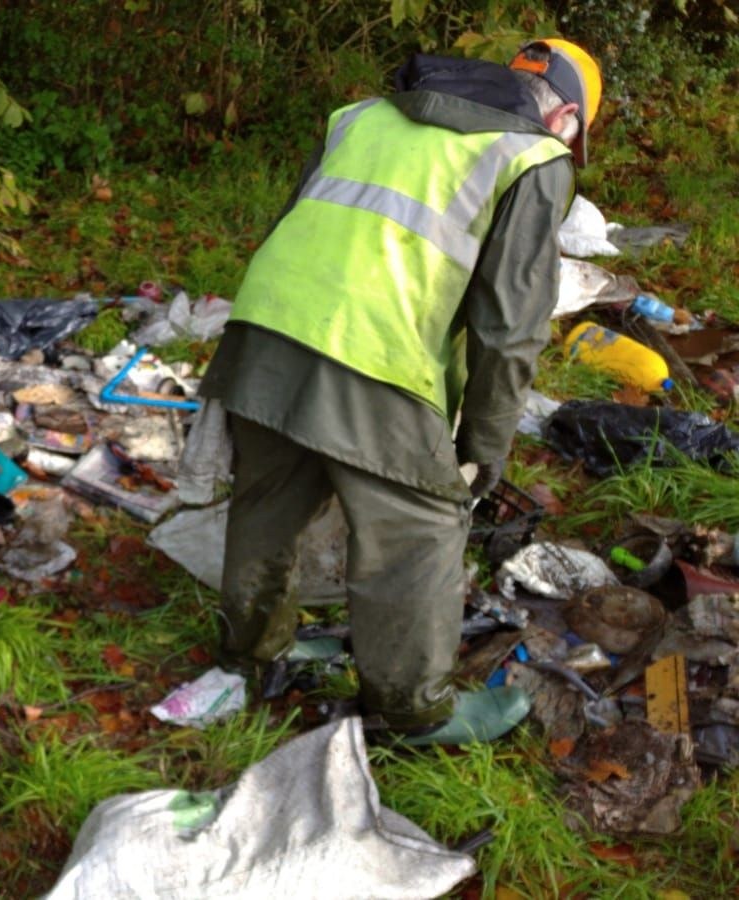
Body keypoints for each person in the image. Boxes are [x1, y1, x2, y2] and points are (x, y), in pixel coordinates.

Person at [200, 39, 602, 744]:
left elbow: (298, 225)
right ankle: (414, 713)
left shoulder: (362, 117)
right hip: (371, 352)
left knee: (268, 497)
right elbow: (508, 329)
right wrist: (482, 447)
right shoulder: (533, 157)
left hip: (265, 326)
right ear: (566, 115)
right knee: (421, 527)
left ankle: (250, 654)